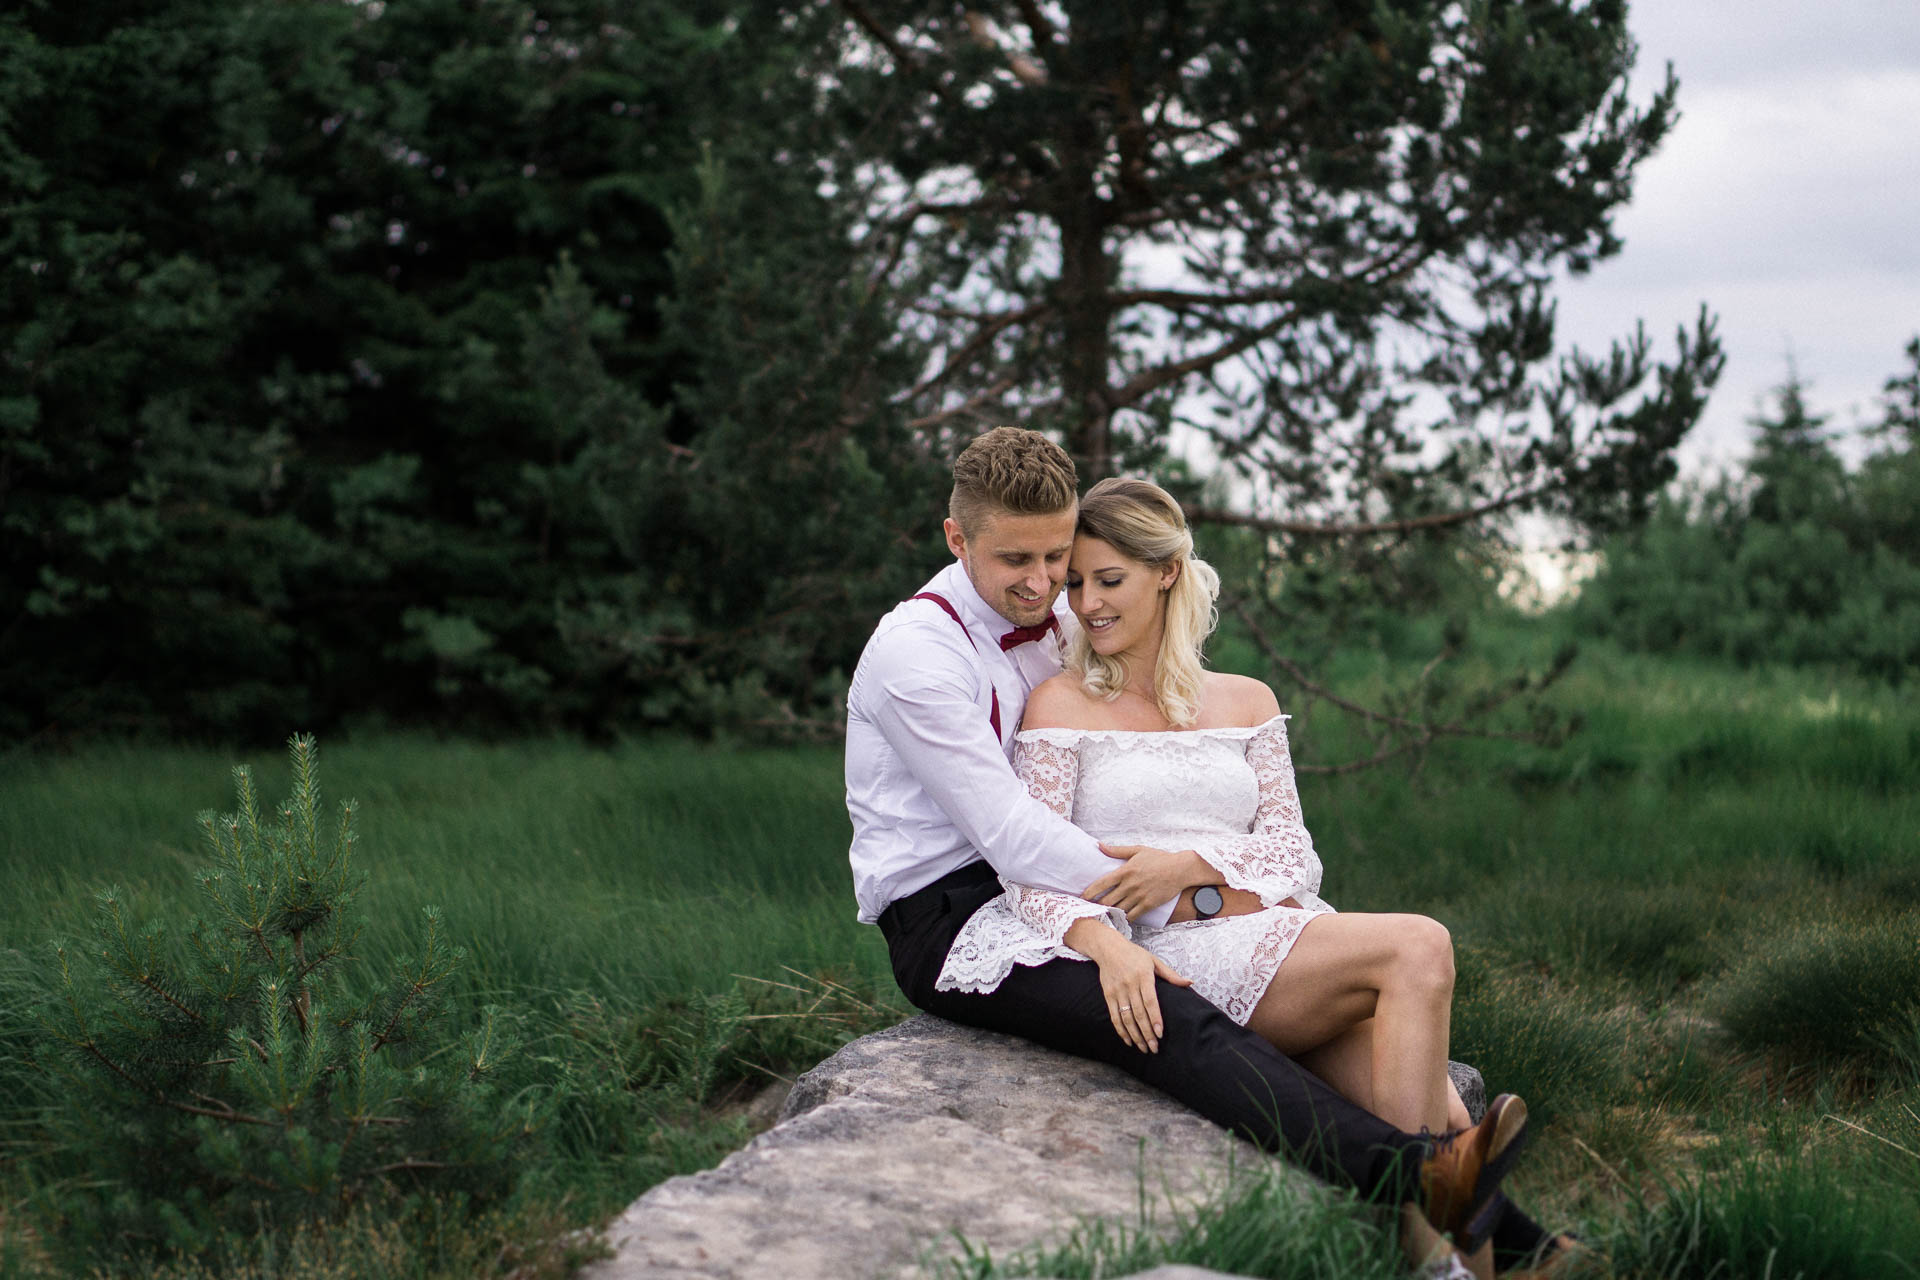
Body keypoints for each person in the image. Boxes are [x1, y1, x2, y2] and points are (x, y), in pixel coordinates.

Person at [846, 428, 1552, 1277]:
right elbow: (1010, 837)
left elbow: (1142, 633)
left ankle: (1488, 1236)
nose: (1048, 589)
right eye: (1017, 563)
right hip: (953, 915)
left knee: (1303, 1014)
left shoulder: (1061, 606)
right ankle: (1420, 1181)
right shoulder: (913, 658)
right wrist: (1152, 912)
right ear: (958, 541)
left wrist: (1199, 877)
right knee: (1167, 1008)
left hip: (1054, 880)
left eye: (1059, 560)